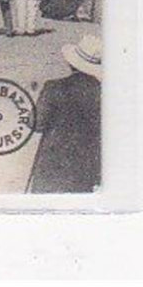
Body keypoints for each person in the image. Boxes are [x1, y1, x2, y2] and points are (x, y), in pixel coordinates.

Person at [26, 36, 101, 194]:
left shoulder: (54, 87)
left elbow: (36, 123)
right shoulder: (102, 92)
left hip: (52, 166)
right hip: (85, 170)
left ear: (71, 63)